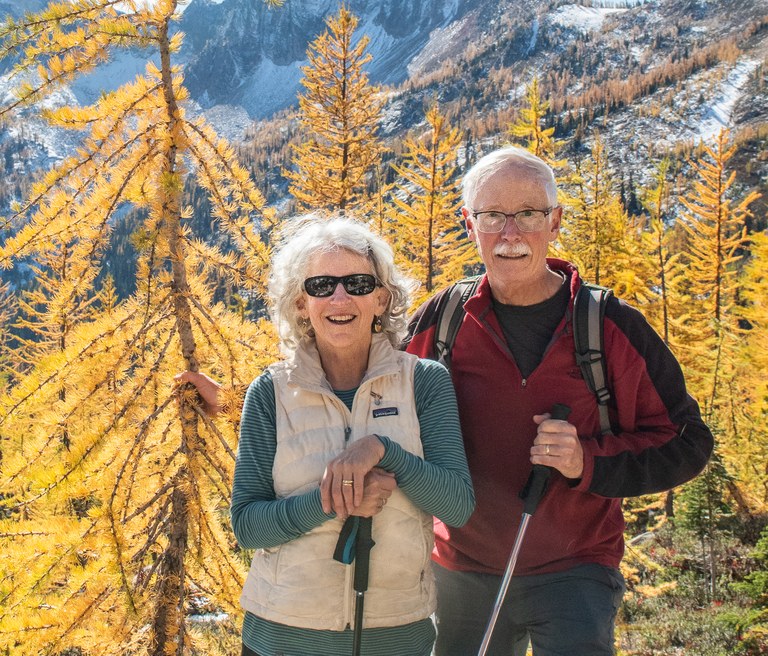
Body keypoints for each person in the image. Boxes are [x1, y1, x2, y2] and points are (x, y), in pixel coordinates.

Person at [402, 146, 715, 656]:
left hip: (576, 574)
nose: (511, 234)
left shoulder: (608, 325)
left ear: (555, 221)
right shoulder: (444, 319)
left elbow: (687, 443)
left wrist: (585, 460)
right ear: (468, 223)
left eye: (528, 214)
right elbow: (378, 405)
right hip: (462, 574)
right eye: (491, 216)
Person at [178, 214, 474, 656]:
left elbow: (457, 504)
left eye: (357, 283)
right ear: (301, 304)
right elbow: (248, 526)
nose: (340, 296)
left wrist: (382, 450)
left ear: (381, 299)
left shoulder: (424, 383)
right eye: (321, 285)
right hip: (282, 636)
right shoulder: (271, 392)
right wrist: (332, 500)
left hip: (396, 636)